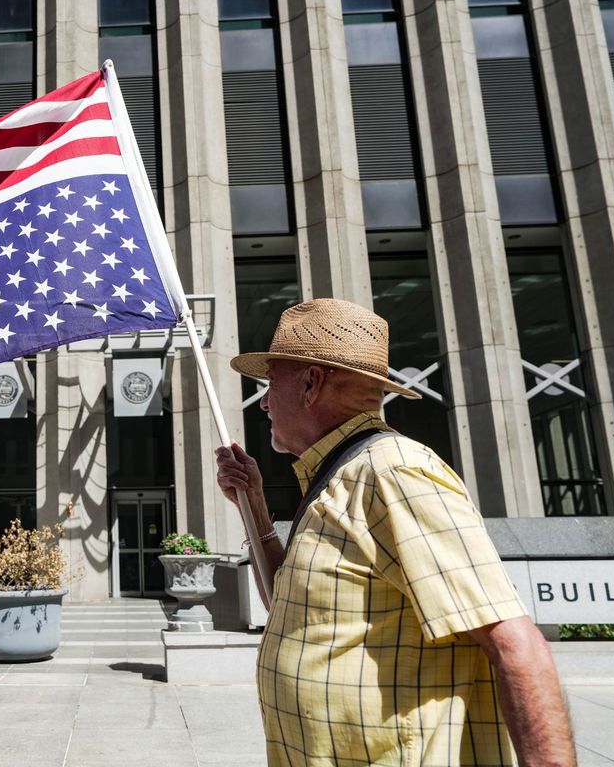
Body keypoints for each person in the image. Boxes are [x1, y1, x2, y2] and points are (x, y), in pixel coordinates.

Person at [216, 298, 575, 767]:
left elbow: (516, 645)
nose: (262, 401)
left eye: (271, 383)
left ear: (310, 383)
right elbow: (288, 608)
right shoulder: (340, 474)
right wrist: (256, 508)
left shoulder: (394, 472)